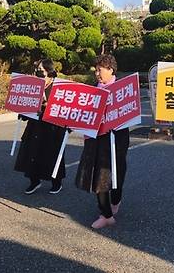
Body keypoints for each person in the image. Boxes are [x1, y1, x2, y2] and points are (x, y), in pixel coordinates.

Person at [75, 54, 130, 230]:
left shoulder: (123, 89)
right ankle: (105, 214)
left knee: (116, 175)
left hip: (117, 139)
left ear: (111, 69)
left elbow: (130, 113)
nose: (97, 73)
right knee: (99, 176)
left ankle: (116, 198)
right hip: (96, 139)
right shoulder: (93, 89)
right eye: (96, 70)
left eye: (100, 69)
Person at [14, 59, 65, 194]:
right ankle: (34, 181)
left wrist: (46, 106)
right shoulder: (33, 86)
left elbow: (63, 109)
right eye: (37, 70)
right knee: (32, 153)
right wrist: (23, 111)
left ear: (50, 72)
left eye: (41, 71)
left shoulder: (58, 88)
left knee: (52, 155)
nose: (38, 73)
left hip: (52, 128)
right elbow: (26, 103)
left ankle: (56, 182)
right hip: (35, 126)